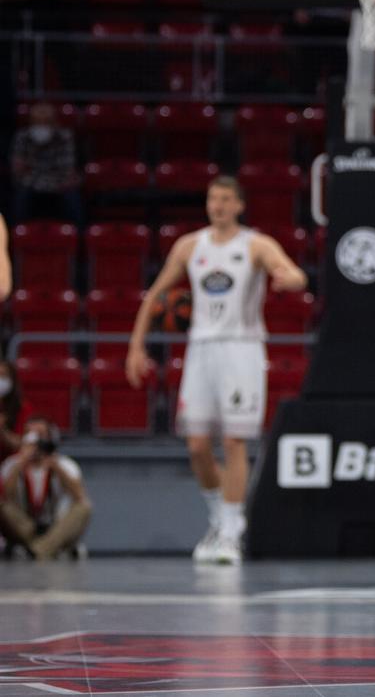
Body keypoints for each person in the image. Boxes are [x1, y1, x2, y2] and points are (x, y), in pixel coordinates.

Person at [125, 176, 307, 566]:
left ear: (240, 205)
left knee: (236, 441)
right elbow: (156, 294)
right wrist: (136, 345)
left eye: (226, 199)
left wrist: (285, 279)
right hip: (201, 348)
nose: (218, 205)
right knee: (196, 444)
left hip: (241, 348)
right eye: (212, 199)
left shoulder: (256, 244)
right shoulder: (191, 246)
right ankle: (220, 516)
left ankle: (229, 530)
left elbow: (294, 274)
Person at [0, 418, 90, 560]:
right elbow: (8, 496)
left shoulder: (64, 464)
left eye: (40, 434)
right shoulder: (12, 464)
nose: (35, 441)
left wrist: (55, 466)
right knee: (2, 505)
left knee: (84, 507)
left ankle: (36, 549)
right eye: (30, 434)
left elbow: (79, 495)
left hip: (55, 525)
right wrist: (21, 462)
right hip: (26, 526)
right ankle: (48, 548)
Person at [8, 101, 82, 226]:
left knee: (73, 198)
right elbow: (18, 173)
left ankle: (79, 239)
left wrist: (37, 175)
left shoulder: (65, 138)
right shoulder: (22, 137)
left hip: (57, 185)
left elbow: (66, 171)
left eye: (45, 122)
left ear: (53, 122)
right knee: (20, 197)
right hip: (31, 185)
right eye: (38, 122)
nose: (41, 126)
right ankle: (15, 237)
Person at [0, 358, 33, 466]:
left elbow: (21, 444)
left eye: (3, 376)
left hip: (10, 462)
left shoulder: (22, 407)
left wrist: (2, 429)